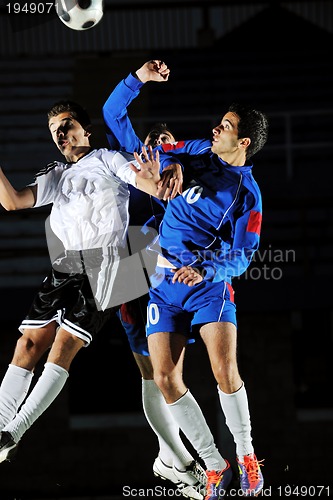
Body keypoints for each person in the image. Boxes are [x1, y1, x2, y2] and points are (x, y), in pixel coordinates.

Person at [0, 100, 164, 465]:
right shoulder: (55, 174)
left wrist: (152, 180)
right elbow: (12, 202)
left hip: (104, 265)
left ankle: (15, 431)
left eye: (66, 123)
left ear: (85, 130)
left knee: (62, 345)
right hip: (63, 268)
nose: (60, 132)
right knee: (26, 345)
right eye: (54, 128)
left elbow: (142, 181)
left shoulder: (107, 159)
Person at [145, 103, 269, 499]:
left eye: (226, 126)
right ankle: (214, 464)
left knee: (224, 370)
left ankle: (247, 456)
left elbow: (244, 255)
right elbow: (158, 149)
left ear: (243, 141)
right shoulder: (199, 153)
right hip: (163, 284)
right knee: (165, 378)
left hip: (207, 283)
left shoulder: (247, 194)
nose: (216, 129)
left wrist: (207, 269)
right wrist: (137, 81)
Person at [103, 60, 206, 500]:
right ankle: (177, 459)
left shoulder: (187, 174)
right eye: (152, 142)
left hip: (172, 274)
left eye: (166, 143)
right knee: (151, 372)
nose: (157, 148)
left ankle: (171, 459)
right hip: (133, 264)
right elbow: (112, 113)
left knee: (170, 375)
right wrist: (139, 79)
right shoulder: (138, 158)